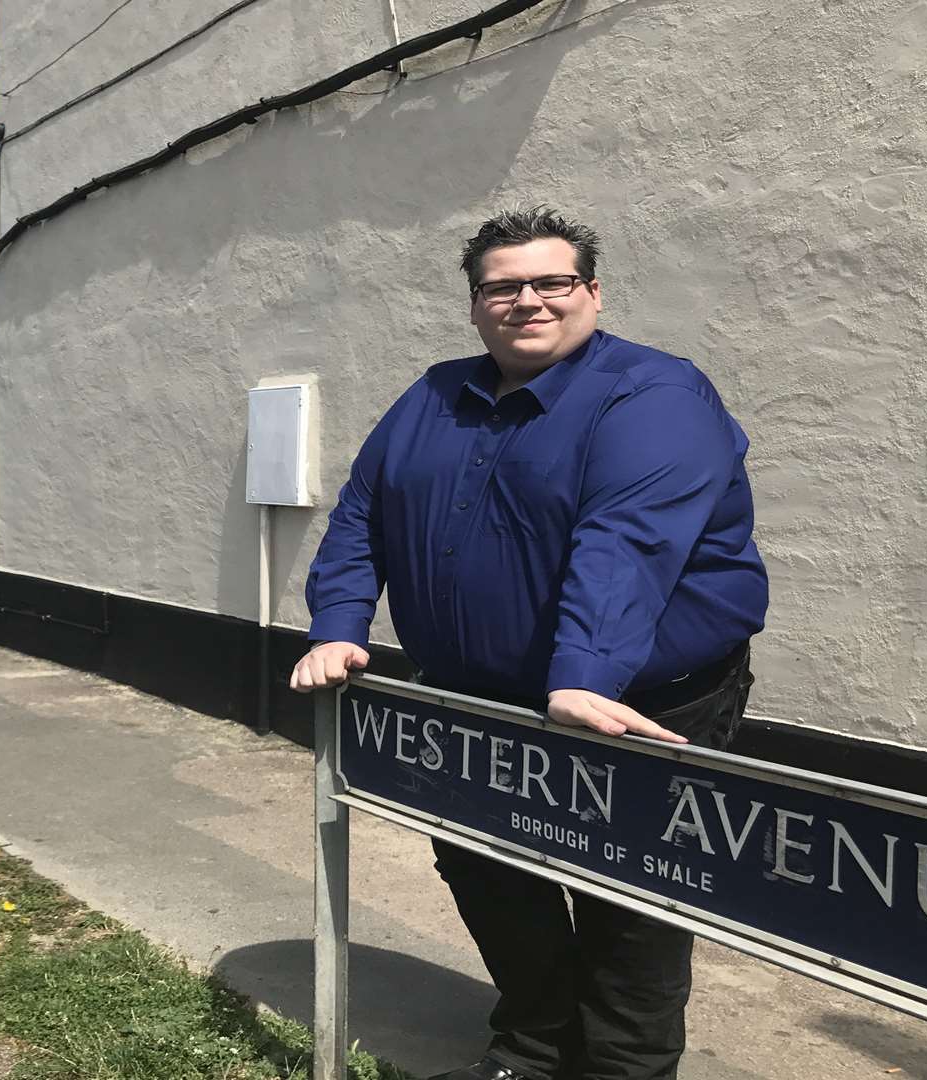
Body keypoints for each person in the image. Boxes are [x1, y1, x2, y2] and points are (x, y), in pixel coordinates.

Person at [292, 207, 768, 1080]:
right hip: (474, 700)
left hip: (637, 703)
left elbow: (626, 540)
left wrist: (584, 673)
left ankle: (625, 1070)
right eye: (503, 287)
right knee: (491, 873)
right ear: (476, 306)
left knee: (632, 900)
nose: (529, 301)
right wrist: (339, 626)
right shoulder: (433, 396)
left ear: (592, 291)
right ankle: (534, 1049)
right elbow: (363, 516)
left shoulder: (654, 395)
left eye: (552, 282)